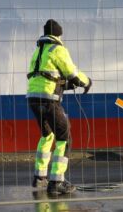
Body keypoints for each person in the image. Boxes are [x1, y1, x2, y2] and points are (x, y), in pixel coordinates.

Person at [26, 19, 92, 195]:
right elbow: (73, 74)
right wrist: (86, 82)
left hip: (33, 99)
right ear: (58, 34)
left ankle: (40, 177)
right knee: (65, 137)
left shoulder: (38, 51)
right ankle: (56, 182)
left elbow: (46, 77)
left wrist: (65, 85)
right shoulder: (58, 49)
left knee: (47, 135)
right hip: (49, 100)